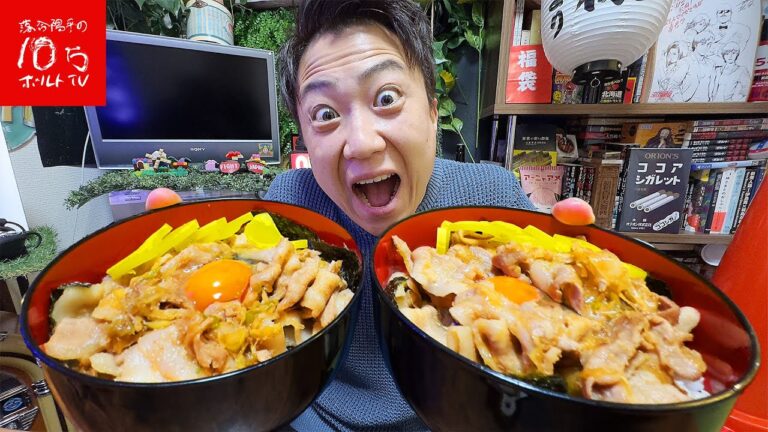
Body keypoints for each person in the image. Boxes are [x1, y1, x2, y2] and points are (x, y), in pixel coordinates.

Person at [263, 1, 594, 430]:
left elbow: (550, 351)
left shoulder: (490, 196)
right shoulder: (289, 204)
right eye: (325, 114)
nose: (361, 143)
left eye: (386, 97)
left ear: (433, 110)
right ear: (304, 135)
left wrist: (583, 282)